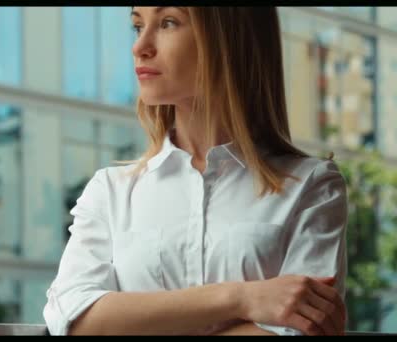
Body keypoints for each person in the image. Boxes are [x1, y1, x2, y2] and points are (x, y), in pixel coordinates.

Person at [43, 7, 348, 335]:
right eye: (137, 26)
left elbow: (300, 330)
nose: (140, 46)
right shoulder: (110, 190)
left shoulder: (312, 186)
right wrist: (241, 298)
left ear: (228, 38)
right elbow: (74, 320)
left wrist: (127, 321)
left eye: (168, 23)